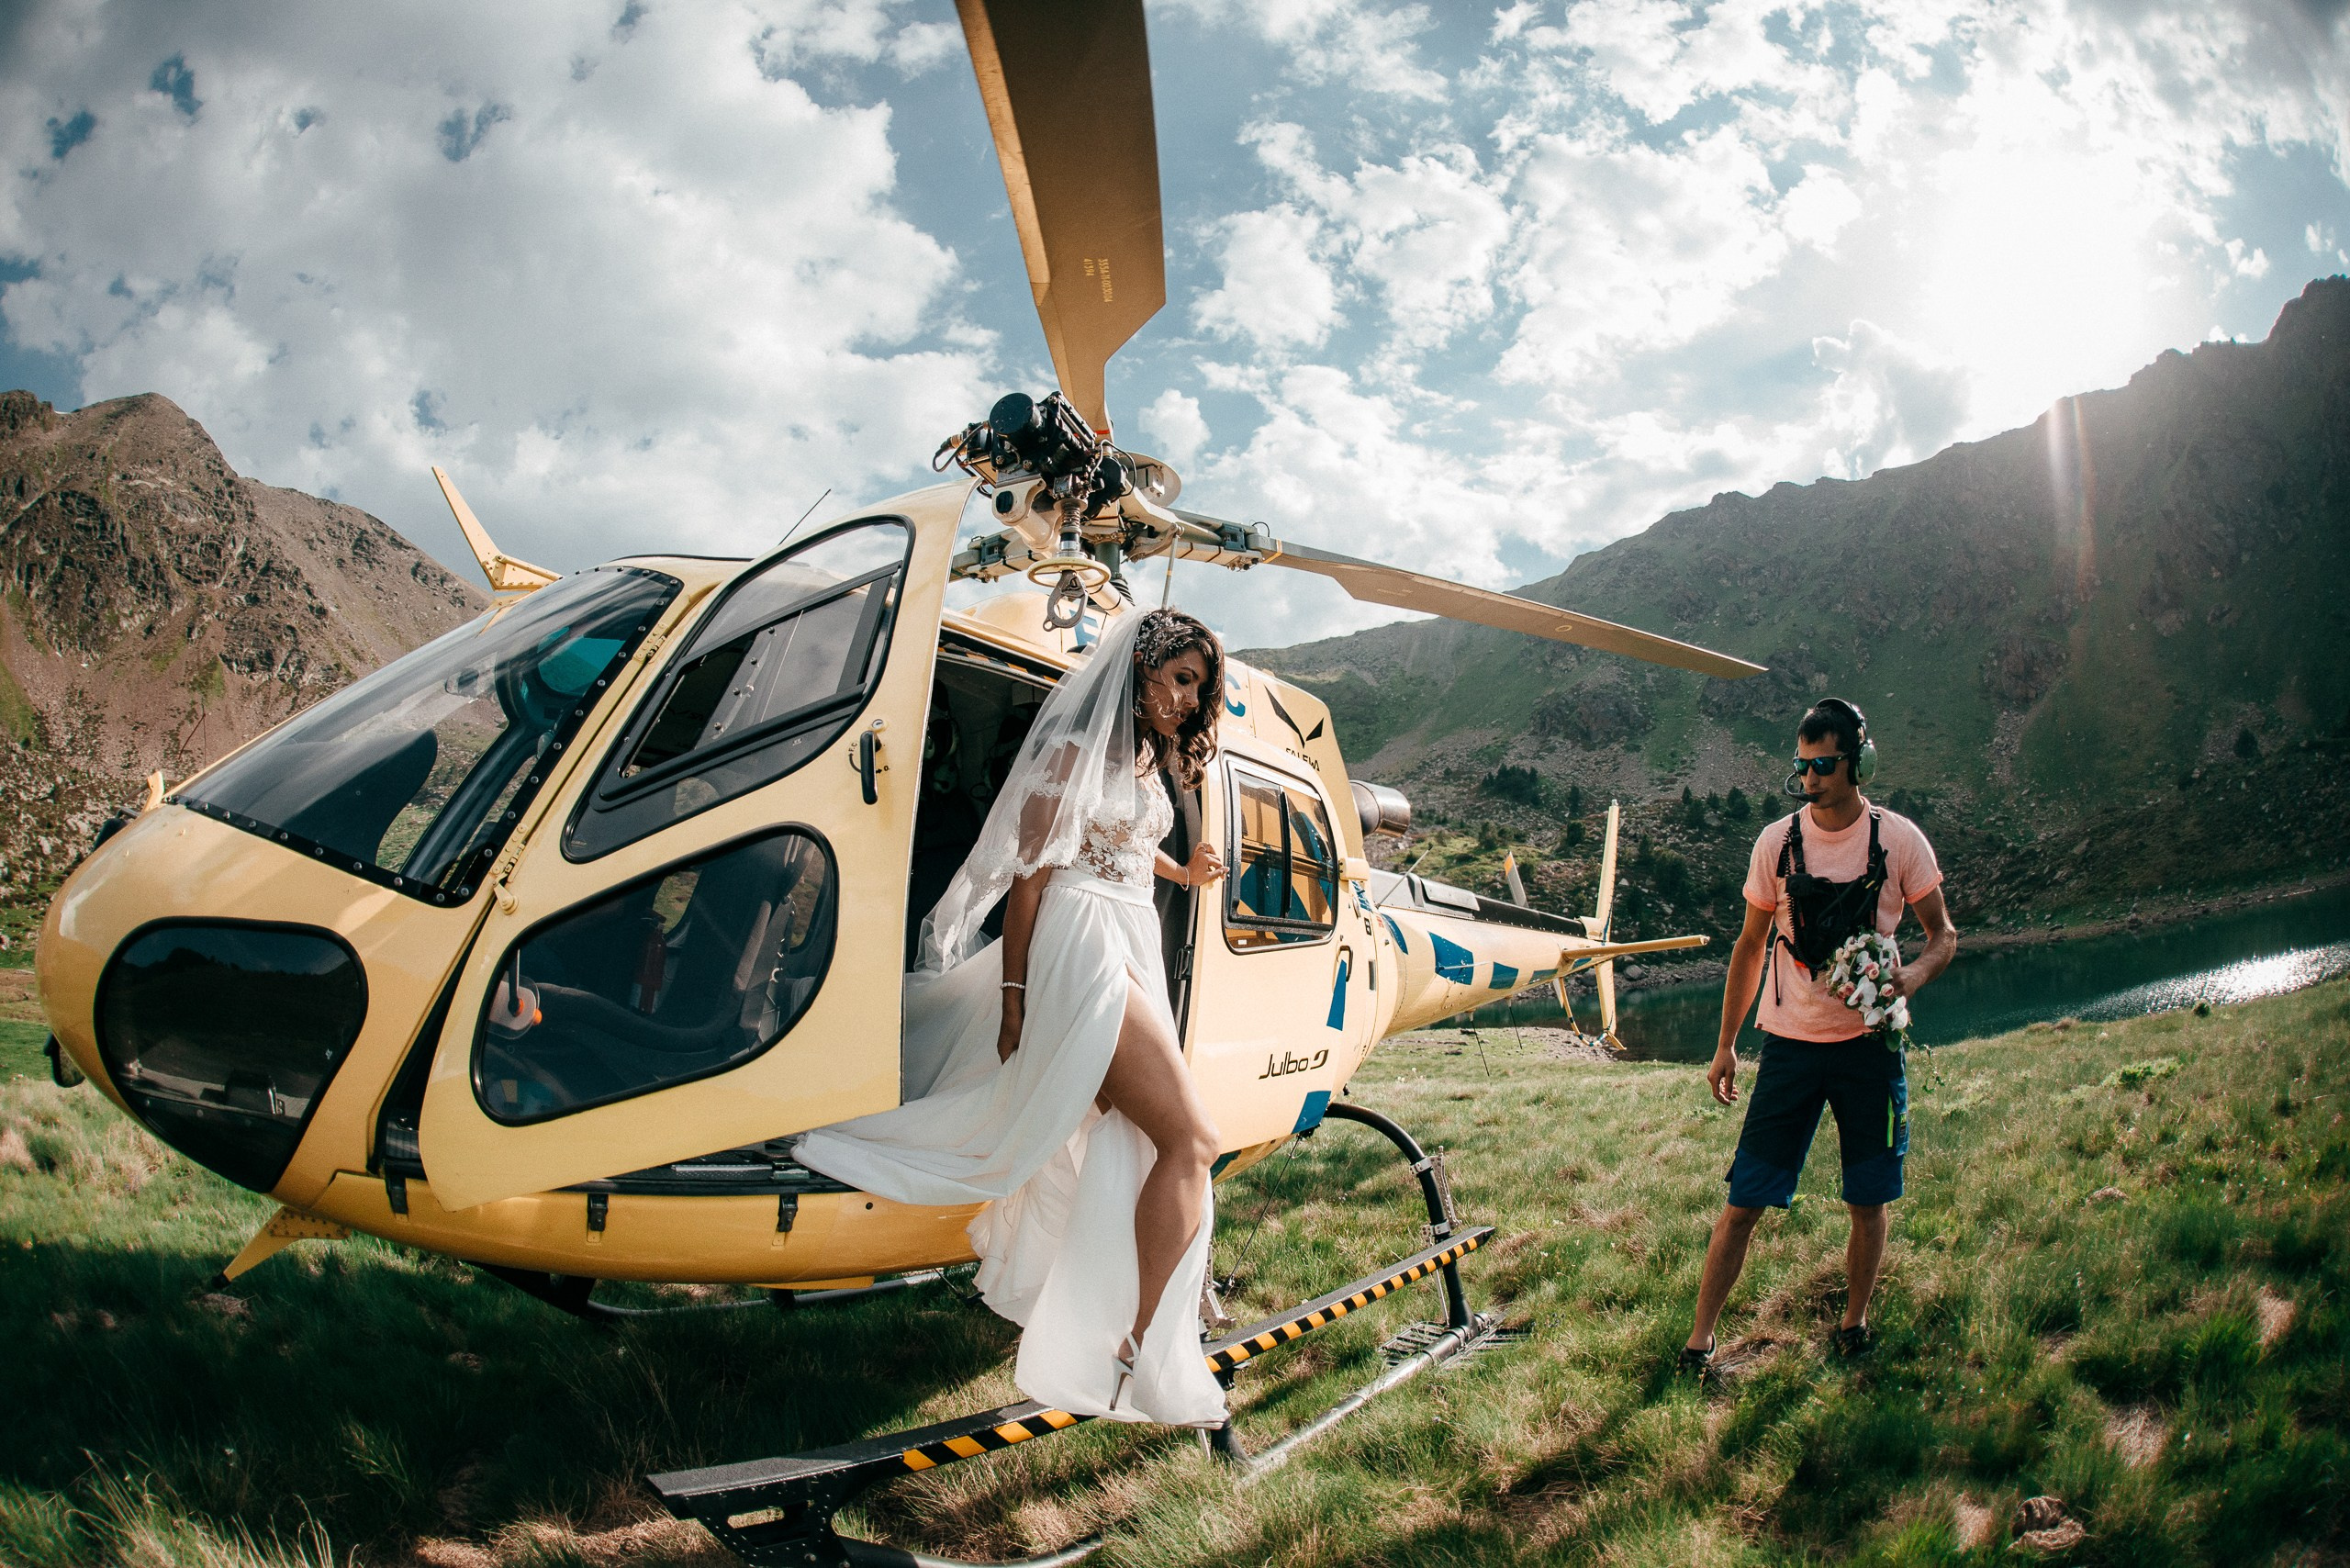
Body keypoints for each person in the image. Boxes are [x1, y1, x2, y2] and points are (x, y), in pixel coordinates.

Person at [795, 607, 1230, 1425]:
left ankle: (1112, 1322)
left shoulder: (1140, 756)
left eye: (1197, 689)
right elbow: (1031, 882)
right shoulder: (1071, 753)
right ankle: (1141, 1340)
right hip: (1083, 941)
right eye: (1179, 679)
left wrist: (1186, 872)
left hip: (1129, 925)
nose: (1185, 700)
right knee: (1192, 1139)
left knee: (1143, 1138)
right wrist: (1015, 1000)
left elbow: (1124, 847)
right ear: (1138, 668)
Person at [1679, 698, 1957, 1371]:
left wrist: (1910, 979)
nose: (1809, 777)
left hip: (1870, 1051)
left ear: (1858, 762)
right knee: (1744, 1202)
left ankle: (1854, 1326)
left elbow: (1942, 936)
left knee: (1869, 1198)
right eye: (1802, 765)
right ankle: (1698, 1343)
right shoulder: (1775, 843)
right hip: (1790, 1050)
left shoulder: (1899, 841)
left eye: (1824, 764)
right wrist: (1725, 1045)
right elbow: (1748, 948)